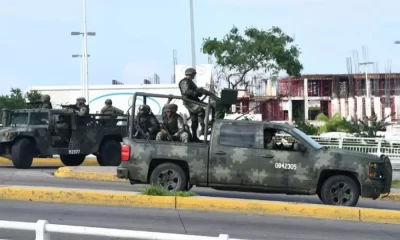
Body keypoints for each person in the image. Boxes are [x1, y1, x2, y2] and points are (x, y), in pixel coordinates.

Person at [178, 67, 205, 141]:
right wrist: (195, 92)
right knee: (201, 110)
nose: (194, 75)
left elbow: (194, 91)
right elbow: (186, 91)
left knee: (194, 120)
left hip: (193, 101)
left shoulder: (190, 81)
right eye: (194, 74)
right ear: (191, 74)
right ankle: (203, 128)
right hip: (189, 102)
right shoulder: (185, 81)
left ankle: (195, 137)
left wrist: (200, 92)